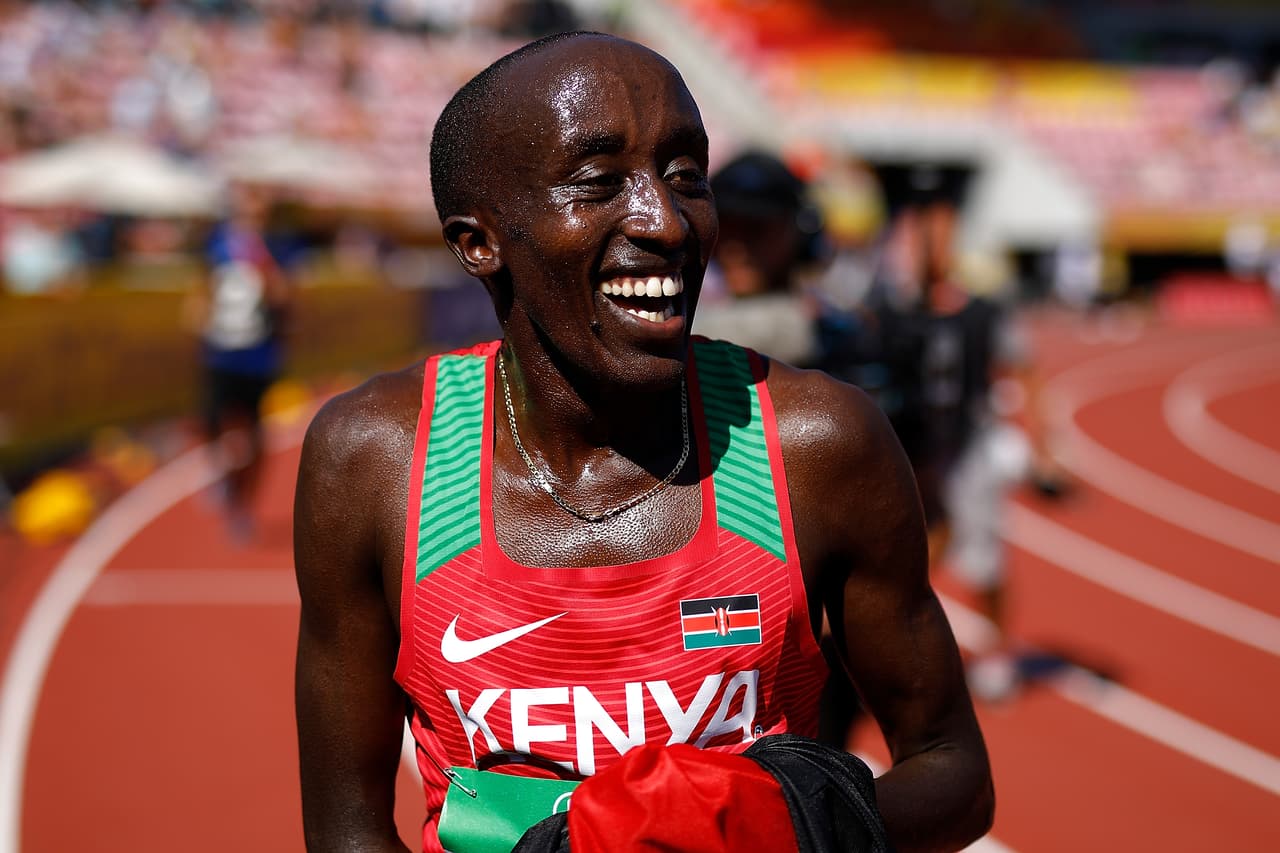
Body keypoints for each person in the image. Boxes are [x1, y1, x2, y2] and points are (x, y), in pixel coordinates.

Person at [293, 31, 992, 853]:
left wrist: (788, 819)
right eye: (598, 183)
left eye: (685, 174)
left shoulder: (819, 443)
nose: (664, 220)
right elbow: (346, 830)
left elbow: (955, 771)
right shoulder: (373, 461)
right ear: (478, 242)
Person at [190, 181, 291, 540]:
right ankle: (222, 476)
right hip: (220, 349)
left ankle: (243, 504)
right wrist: (199, 316)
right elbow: (203, 285)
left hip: (258, 354)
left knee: (253, 432)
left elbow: (285, 295)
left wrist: (262, 263)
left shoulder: (277, 246)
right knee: (213, 423)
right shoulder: (217, 243)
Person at [692, 150, 826, 367]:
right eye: (725, 229)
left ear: (800, 234)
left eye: (754, 230)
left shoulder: (830, 333)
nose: (735, 249)